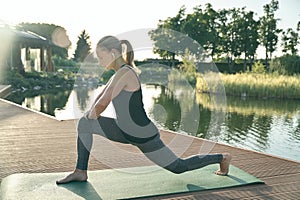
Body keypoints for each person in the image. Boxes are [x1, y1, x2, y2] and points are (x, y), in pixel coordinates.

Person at [56, 36, 232, 184]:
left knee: (179, 167)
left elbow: (102, 105)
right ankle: (81, 171)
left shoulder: (125, 73)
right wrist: (89, 116)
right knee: (85, 124)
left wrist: (91, 115)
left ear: (113, 53)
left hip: (143, 135)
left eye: (101, 57)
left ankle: (222, 157)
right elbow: (101, 98)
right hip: (124, 130)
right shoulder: (118, 73)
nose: (100, 62)